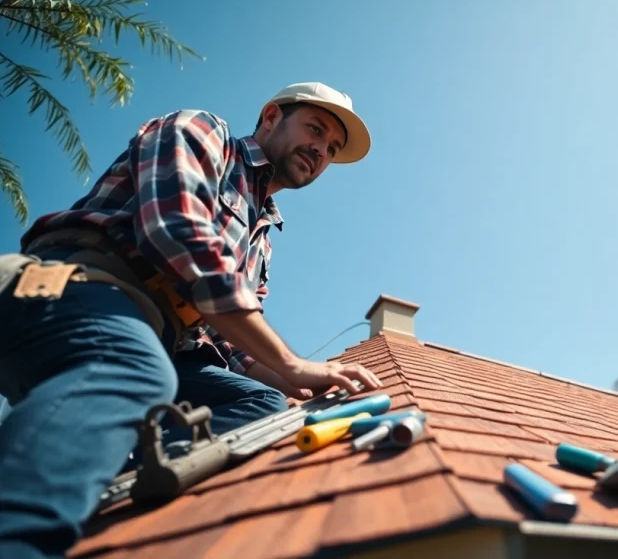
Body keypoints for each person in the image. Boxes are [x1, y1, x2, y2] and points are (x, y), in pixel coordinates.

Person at [0, 82, 383, 559]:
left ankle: (112, 469)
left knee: (262, 405)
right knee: (134, 371)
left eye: (331, 149)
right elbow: (175, 229)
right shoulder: (204, 132)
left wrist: (303, 384)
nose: (320, 150)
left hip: (162, 343)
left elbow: (233, 345)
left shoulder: (261, 242)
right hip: (75, 290)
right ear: (270, 117)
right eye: (315, 129)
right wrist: (293, 362)